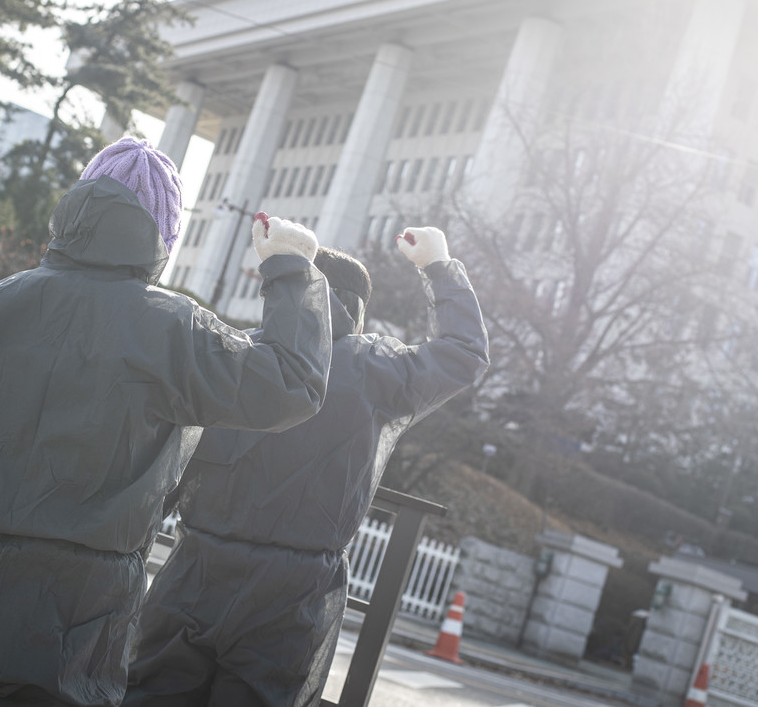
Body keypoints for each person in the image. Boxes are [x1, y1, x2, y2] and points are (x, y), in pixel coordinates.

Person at [0, 137, 333, 707]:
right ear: (161, 236)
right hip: (68, 611)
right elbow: (292, 384)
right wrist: (292, 267)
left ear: (75, 207)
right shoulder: (171, 327)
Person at [123, 226, 489, 707]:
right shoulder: (376, 370)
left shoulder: (241, 352)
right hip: (294, 594)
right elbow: (464, 355)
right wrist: (439, 265)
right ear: (356, 306)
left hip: (195, 570)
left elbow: (170, 459)